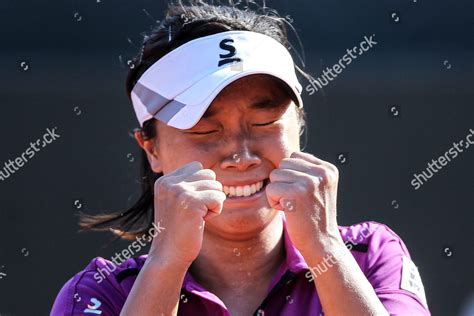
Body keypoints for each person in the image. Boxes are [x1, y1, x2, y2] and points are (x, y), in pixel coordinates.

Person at [51, 1, 431, 315]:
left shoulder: (369, 256)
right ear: (151, 149)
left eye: (264, 122)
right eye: (204, 131)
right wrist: (165, 265)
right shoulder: (98, 295)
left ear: (298, 126)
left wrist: (325, 248)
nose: (241, 156)